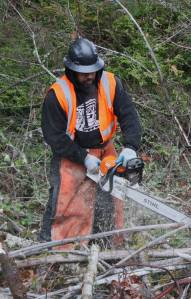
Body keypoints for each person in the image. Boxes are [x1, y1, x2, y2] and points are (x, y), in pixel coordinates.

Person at [39, 38, 142, 249]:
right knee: (65, 205)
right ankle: (52, 249)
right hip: (72, 154)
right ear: (71, 69)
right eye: (83, 72)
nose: (89, 75)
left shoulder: (110, 83)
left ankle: (105, 246)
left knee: (112, 202)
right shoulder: (57, 95)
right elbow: (54, 136)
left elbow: (129, 115)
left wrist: (131, 147)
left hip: (105, 150)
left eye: (92, 70)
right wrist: (83, 157)